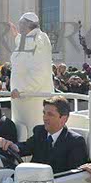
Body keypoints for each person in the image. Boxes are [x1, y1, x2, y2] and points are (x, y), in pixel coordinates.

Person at [0, 96, 87, 173]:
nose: (45, 118)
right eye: (44, 113)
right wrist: (12, 145)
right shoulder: (40, 131)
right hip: (31, 180)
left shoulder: (75, 142)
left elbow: (74, 175)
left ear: (63, 119)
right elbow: (26, 147)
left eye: (50, 114)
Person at [9, 12, 53, 141]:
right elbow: (24, 52)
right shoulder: (29, 38)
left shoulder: (39, 40)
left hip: (31, 99)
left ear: (26, 25)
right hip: (22, 99)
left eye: (20, 24)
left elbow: (40, 71)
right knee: (23, 135)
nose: (19, 27)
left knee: (32, 136)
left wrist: (22, 89)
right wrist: (16, 36)